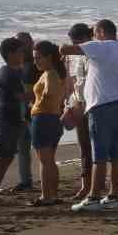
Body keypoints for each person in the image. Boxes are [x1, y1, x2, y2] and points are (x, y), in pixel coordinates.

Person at [60, 19, 118, 211]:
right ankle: (113, 195)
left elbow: (64, 49)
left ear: (101, 32)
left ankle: (93, 197)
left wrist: (68, 50)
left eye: (95, 33)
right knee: (115, 155)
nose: (93, 36)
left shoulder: (100, 46)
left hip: (100, 107)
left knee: (99, 155)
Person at [0, 37, 27, 209]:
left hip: (12, 119)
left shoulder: (14, 71)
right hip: (5, 119)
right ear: (10, 54)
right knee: (1, 157)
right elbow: (20, 96)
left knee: (7, 157)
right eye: (20, 52)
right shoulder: (7, 72)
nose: (23, 54)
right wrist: (43, 92)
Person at [30, 41, 68, 205]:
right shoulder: (57, 72)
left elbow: (50, 93)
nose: (35, 61)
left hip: (44, 118)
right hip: (53, 118)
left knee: (45, 160)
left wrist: (38, 104)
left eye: (38, 58)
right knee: (50, 160)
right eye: (34, 58)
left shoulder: (50, 73)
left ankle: (46, 196)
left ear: (49, 57)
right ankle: (53, 194)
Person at [64, 23, 95, 200]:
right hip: (79, 103)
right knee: (83, 146)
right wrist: (69, 102)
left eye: (75, 41)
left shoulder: (93, 54)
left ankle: (93, 185)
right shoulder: (75, 57)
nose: (73, 45)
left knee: (94, 147)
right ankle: (86, 184)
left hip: (92, 104)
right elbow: (75, 81)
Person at [8, 31, 37, 194]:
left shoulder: (38, 62)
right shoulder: (16, 66)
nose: (21, 46)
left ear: (31, 43)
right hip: (21, 113)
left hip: (37, 112)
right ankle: (26, 181)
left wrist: (23, 96)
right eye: (18, 43)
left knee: (42, 149)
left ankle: (46, 181)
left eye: (24, 43)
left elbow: (46, 88)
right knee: (22, 149)